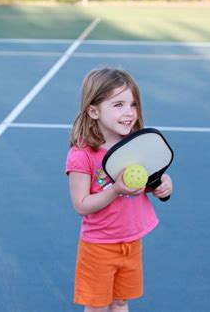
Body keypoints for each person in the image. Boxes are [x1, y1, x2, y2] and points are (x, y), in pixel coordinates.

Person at [65, 67, 173, 312]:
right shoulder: (81, 155)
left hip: (132, 241)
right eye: (118, 105)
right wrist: (114, 190)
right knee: (97, 306)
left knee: (121, 301)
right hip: (99, 246)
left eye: (133, 104)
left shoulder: (135, 145)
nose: (129, 112)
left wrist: (163, 184)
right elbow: (81, 205)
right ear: (93, 110)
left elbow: (144, 182)